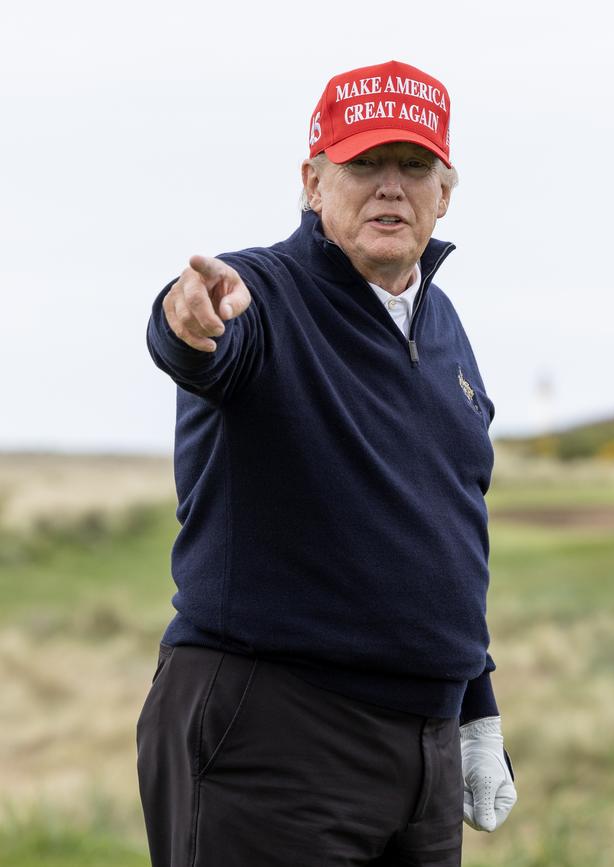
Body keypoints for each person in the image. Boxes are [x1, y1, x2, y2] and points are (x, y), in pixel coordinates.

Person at [137, 59, 517, 867]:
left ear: (444, 193)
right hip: (274, 740)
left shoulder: (443, 325)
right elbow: (198, 340)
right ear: (313, 182)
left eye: (413, 167)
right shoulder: (260, 294)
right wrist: (186, 320)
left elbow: (449, 527)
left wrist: (475, 703)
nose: (390, 188)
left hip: (424, 755)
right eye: (363, 164)